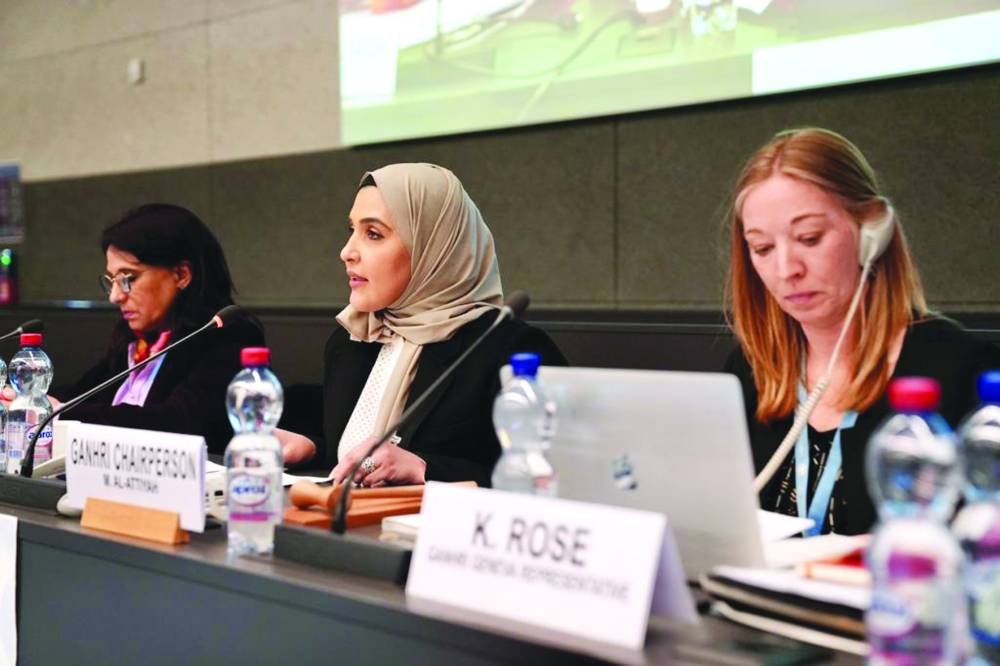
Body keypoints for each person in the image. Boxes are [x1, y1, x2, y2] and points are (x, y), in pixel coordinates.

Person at [724, 128, 1000, 535]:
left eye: (809, 238)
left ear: (873, 233)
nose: (786, 270)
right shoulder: (748, 372)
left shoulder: (960, 367)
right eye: (762, 248)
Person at [302, 163, 566, 488]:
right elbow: (349, 457)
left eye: (373, 234)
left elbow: (552, 480)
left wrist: (425, 470)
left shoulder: (508, 350)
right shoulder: (354, 339)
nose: (347, 252)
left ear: (433, 245)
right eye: (351, 230)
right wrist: (311, 448)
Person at [54, 204, 315, 463]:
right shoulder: (136, 341)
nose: (115, 296)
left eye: (128, 278)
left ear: (181, 274)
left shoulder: (226, 334)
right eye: (111, 281)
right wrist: (37, 404)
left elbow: (181, 424)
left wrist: (61, 415)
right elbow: (78, 397)